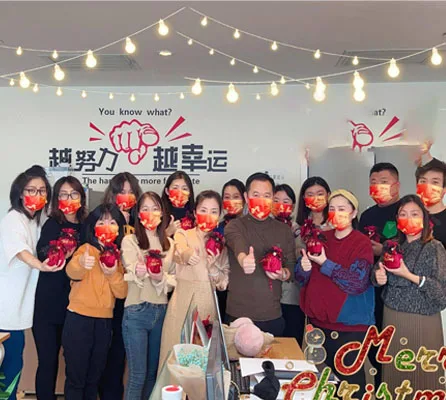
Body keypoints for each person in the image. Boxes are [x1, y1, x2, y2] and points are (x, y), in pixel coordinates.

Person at [296, 189, 374, 393]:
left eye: (342, 209)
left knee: (350, 386)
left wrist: (324, 262)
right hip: (317, 325)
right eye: (332, 209)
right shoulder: (320, 237)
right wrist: (303, 267)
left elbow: (356, 282)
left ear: (353, 213)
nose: (336, 213)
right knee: (321, 385)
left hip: (350, 328)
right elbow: (301, 279)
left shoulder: (362, 243)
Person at [372, 194, 446, 392]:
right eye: (403, 214)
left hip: (422, 321)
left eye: (414, 214)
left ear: (424, 218)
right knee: (394, 375)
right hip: (392, 317)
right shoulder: (392, 245)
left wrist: (409, 275)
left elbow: (441, 294)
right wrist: (378, 276)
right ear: (397, 219)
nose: (408, 218)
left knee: (422, 376)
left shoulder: (434, 247)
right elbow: (375, 274)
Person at [0, 165, 58, 400]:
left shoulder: (36, 221)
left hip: (17, 312)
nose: (37, 195)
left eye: (42, 191)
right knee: (9, 368)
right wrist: (40, 265)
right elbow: (21, 252)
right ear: (20, 193)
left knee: (13, 365)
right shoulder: (12, 220)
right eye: (31, 190)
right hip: (5, 313)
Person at [63, 204, 128, 400]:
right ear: (93, 227)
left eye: (112, 222)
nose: (107, 227)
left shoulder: (117, 257)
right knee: (76, 378)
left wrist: (112, 274)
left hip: (103, 323)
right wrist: (82, 264)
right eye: (101, 222)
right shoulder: (85, 249)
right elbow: (71, 271)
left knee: (94, 377)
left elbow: (122, 292)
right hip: (78, 320)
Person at [159, 190, 229, 366]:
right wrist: (187, 254)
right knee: (174, 352)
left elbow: (223, 282)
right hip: (182, 300)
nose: (208, 215)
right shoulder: (183, 234)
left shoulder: (221, 244)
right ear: (195, 213)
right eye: (203, 210)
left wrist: (213, 268)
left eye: (214, 211)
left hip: (207, 302)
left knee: (201, 357)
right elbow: (179, 251)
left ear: (219, 215)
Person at [33, 176, 87, 400]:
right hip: (48, 306)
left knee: (75, 362)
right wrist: (59, 253)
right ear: (56, 199)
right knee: (48, 362)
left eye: (74, 194)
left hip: (76, 307)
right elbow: (42, 253)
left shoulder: (87, 226)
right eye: (63, 194)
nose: (69, 199)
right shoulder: (52, 224)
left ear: (81, 198)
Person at [225, 173, 296, 336]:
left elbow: (291, 267)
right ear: (246, 197)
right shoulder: (234, 226)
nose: (261, 200)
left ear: (272, 198)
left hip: (272, 315)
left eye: (266, 196)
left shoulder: (284, 230)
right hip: (238, 316)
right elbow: (238, 245)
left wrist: (283, 274)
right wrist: (244, 260)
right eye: (256, 195)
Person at [121, 192, 176, 399]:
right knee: (138, 375)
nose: (150, 213)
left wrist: (160, 277)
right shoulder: (130, 240)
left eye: (155, 208)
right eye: (145, 209)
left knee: (153, 373)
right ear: (138, 213)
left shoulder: (169, 244)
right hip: (137, 311)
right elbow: (130, 270)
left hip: (161, 312)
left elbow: (174, 280)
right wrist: (140, 271)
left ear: (162, 213)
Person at [100, 172, 141, 400]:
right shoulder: (103, 219)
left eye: (130, 192)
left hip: (134, 297)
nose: (126, 196)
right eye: (121, 192)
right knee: (106, 354)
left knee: (122, 354)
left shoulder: (141, 221)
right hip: (108, 297)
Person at [358, 162, 400, 385]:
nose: (377, 187)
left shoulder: (406, 211)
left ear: (396, 185)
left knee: (396, 345)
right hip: (371, 289)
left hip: (400, 290)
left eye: (383, 182)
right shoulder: (367, 215)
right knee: (375, 344)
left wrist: (382, 250)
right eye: (373, 182)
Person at [272, 184, 303, 345]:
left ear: (293, 205)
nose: (280, 205)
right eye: (276, 200)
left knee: (290, 341)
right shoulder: (263, 228)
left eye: (285, 201)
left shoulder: (299, 230)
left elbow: (300, 257)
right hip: (269, 296)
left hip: (291, 295)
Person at [216, 178, 246, 320]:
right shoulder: (216, 228)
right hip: (221, 287)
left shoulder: (250, 227)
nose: (231, 201)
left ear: (244, 200)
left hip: (243, 288)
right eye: (227, 197)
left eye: (236, 197)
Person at [415, 160, 446, 248]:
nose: (427, 186)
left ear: (444, 189)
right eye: (423, 181)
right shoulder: (407, 216)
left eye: (435, 182)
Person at [161, 171, 195, 236]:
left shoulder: (195, 213)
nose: (180, 192)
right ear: (167, 191)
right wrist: (168, 232)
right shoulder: (159, 212)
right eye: (175, 188)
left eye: (184, 189)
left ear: (190, 193)